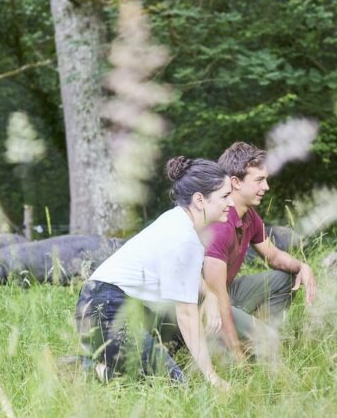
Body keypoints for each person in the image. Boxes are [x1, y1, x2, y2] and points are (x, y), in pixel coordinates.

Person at [75, 157, 233, 389]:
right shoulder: (183, 237)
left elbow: (184, 274)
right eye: (225, 196)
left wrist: (210, 295)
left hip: (119, 304)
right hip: (104, 310)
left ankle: (118, 365)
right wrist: (212, 377)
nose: (231, 202)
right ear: (200, 200)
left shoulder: (178, 221)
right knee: (173, 387)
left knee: (182, 346)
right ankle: (85, 368)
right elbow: (186, 314)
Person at [203, 141, 317, 360]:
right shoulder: (219, 223)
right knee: (266, 340)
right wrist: (238, 355)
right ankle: (240, 346)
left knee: (285, 278)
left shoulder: (249, 216)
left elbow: (273, 255)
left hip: (227, 291)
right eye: (259, 180)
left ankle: (254, 339)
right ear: (235, 182)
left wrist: (302, 266)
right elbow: (216, 296)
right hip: (202, 301)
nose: (266, 187)